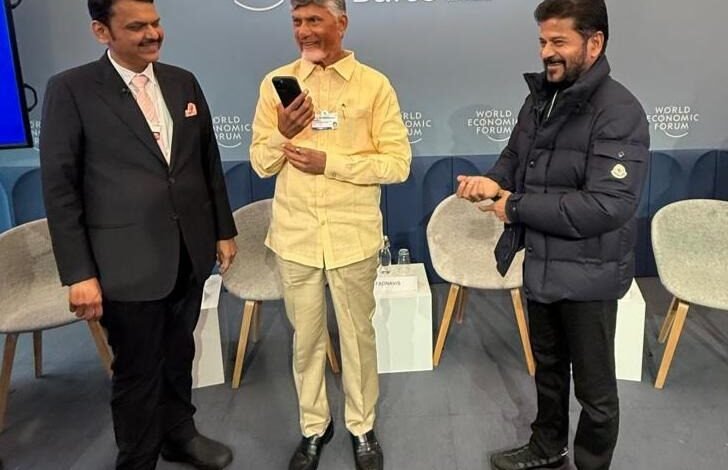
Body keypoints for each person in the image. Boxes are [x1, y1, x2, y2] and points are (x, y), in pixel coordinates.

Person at [39, 1, 237, 468]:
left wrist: (222, 230)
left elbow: (206, 162)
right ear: (101, 31)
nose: (153, 34)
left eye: (155, 23)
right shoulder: (71, 90)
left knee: (179, 352)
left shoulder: (182, 81)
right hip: (124, 261)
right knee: (137, 370)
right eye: (136, 27)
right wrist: (79, 274)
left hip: (189, 251)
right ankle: (138, 458)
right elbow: (60, 189)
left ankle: (179, 435)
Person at [456, 1, 649, 469]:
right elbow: (514, 156)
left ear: (594, 43)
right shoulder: (541, 98)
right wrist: (492, 181)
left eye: (559, 41)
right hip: (541, 262)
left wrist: (515, 206)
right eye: (543, 41)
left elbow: (609, 205)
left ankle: (592, 463)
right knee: (548, 370)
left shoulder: (620, 112)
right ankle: (547, 447)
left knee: (595, 390)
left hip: (590, 275)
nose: (546, 52)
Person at [250, 1, 411, 469]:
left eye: (314, 20)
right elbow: (261, 164)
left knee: (358, 338)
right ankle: (314, 427)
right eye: (297, 21)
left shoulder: (374, 85)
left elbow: (397, 164)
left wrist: (331, 163)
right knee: (306, 341)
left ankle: (362, 426)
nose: (304, 31)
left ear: (341, 23)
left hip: (352, 237)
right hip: (295, 237)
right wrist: (282, 132)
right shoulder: (276, 83)